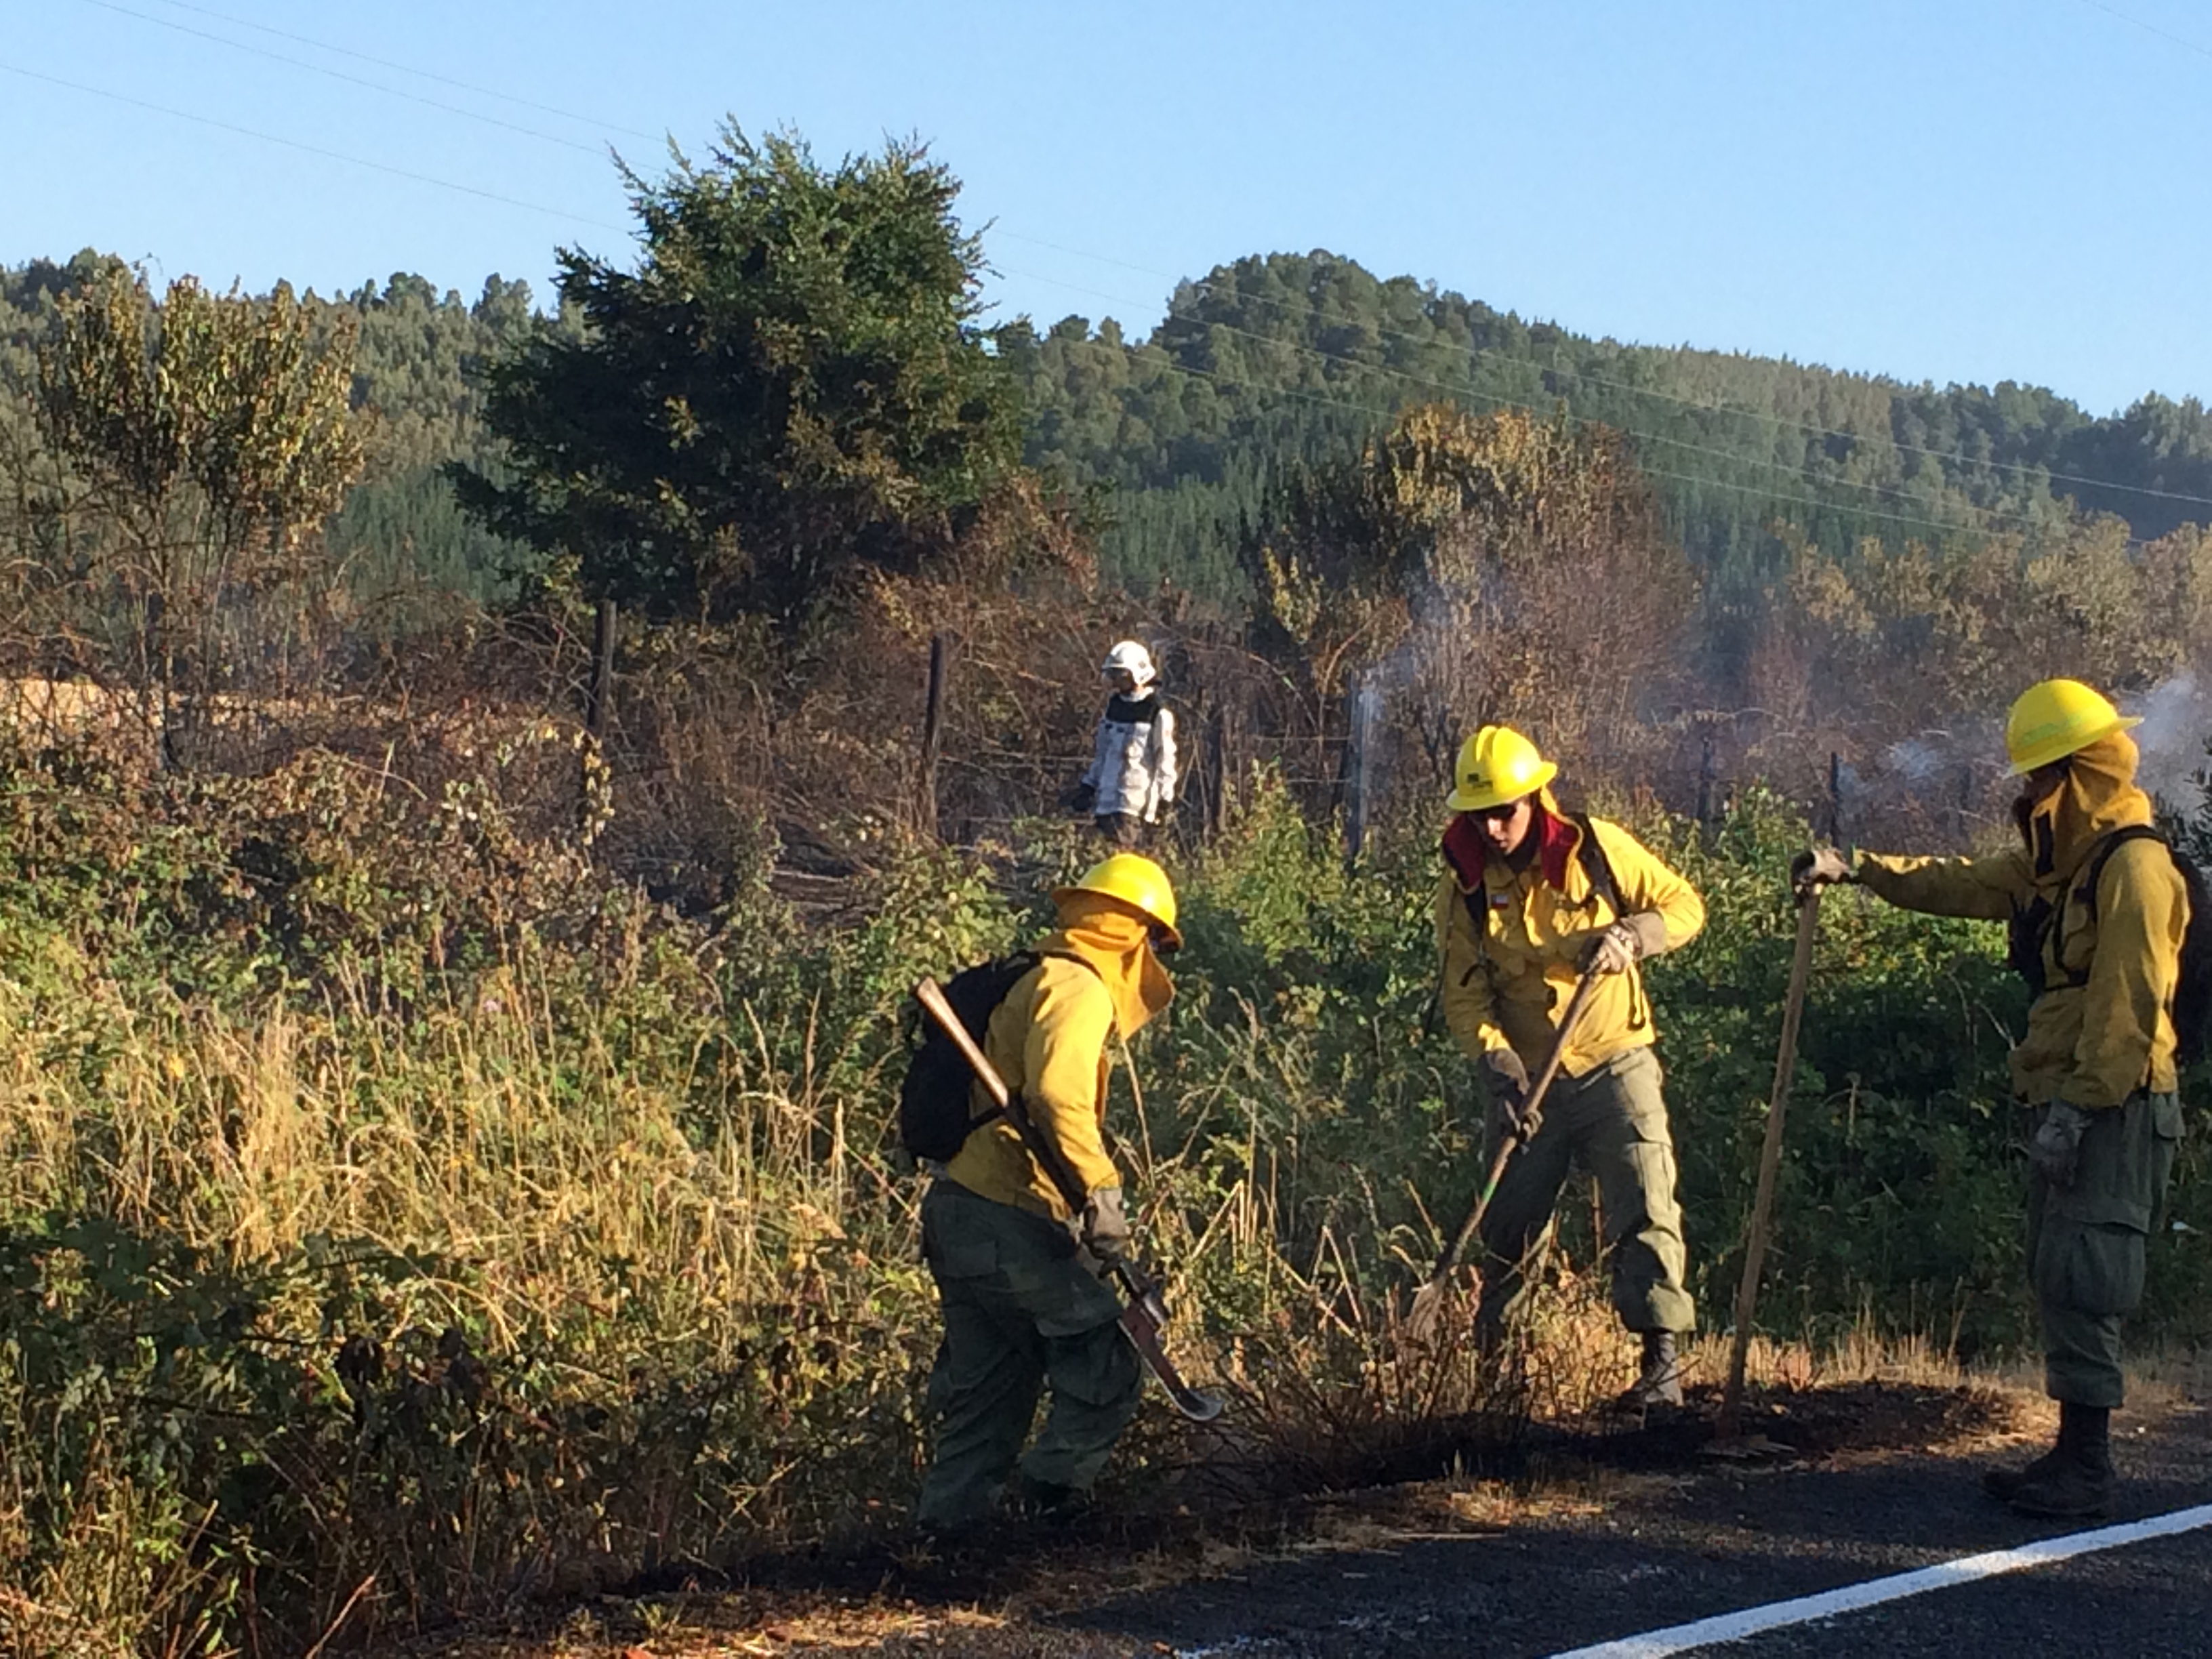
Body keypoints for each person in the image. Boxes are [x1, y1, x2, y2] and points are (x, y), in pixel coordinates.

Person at [1795, 678, 2186, 1519]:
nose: (2030, 796)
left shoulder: (2134, 868)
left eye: (2044, 778)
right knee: (2060, 1272)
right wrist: (1857, 869)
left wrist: (2079, 1113)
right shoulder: (2061, 868)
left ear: (2083, 774)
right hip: (2066, 1099)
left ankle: (2089, 1467)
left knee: (2089, 1276)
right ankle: (2071, 1453)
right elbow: (1964, 883)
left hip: (2113, 1107)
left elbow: (2128, 1009)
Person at [1436, 725, 1707, 1407]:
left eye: (1506, 810)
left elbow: (1685, 906)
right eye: (1480, 815)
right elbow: (1463, 995)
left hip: (1616, 1059)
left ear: (1535, 798)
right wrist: (1498, 1066)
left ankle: (1661, 1366)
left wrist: (1634, 937)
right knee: (1509, 1227)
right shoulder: (1466, 885)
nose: (1494, 827)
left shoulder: (1598, 849)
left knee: (1646, 1202)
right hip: (1529, 1083)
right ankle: (1500, 1387)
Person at [914, 853, 1180, 1532]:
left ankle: (948, 1545)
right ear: (1132, 934)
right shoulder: (1080, 988)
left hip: (959, 1213)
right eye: (1159, 945)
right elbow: (1059, 1098)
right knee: (1106, 1364)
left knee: (990, 1396)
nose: (1157, 963)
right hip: (1004, 1218)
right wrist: (1103, 1195)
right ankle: (1041, 1519)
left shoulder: (1035, 975)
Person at [1073, 640, 1178, 848]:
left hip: (1133, 807)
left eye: (1120, 674)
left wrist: (1165, 799)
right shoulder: (1114, 707)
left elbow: (1165, 759)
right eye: (1113, 675)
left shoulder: (1156, 711)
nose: (1116, 681)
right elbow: (1103, 755)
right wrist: (1088, 787)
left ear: (1136, 673)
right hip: (1105, 805)